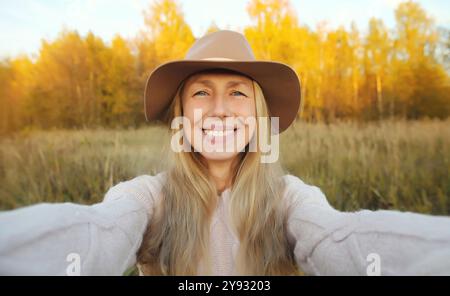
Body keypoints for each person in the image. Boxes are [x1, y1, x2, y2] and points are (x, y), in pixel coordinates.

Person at [0, 30, 449, 276]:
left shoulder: (290, 199)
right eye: (200, 92)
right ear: (181, 113)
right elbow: (100, 229)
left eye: (236, 93)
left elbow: (339, 237)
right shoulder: (149, 199)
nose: (218, 109)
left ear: (256, 113)